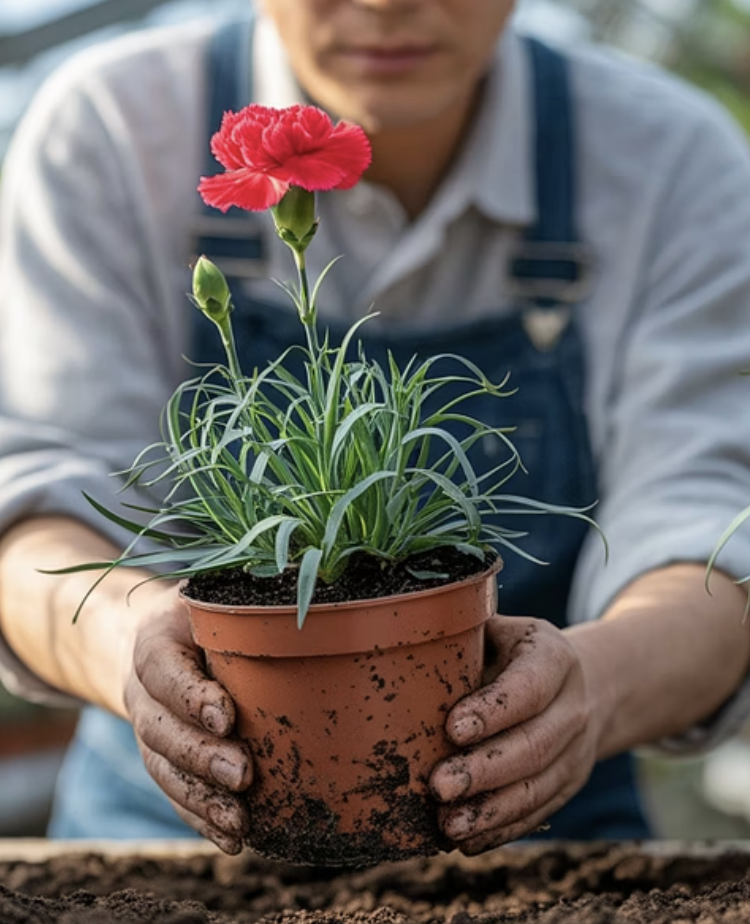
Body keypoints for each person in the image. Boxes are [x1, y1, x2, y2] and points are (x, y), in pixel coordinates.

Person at [1, 0, 750, 858]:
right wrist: (137, 660)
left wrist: (594, 690)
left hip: (535, 816)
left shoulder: (669, 156)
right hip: (172, 823)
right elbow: (34, 503)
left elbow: (713, 522)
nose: (389, 3)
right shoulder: (109, 126)